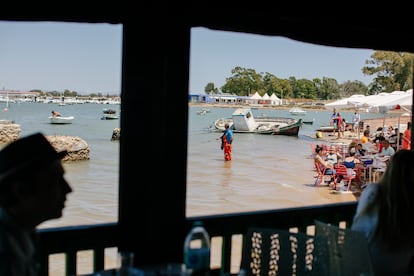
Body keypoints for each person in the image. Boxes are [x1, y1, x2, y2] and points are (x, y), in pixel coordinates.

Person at [0, 133, 72, 276]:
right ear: (20, 190)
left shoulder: (21, 232)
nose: (68, 189)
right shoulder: (5, 252)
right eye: (56, 180)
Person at [351, 150, 414, 275]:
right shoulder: (409, 206)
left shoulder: (374, 192)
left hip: (365, 268)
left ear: (390, 169)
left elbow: (357, 231)